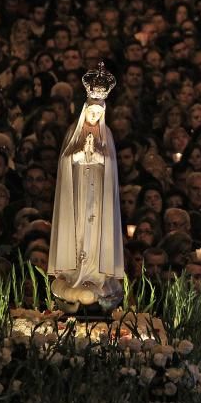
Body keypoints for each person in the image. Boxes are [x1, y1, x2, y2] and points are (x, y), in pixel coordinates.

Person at [48, 64, 123, 307]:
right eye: (91, 112)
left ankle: (96, 277)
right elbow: (65, 160)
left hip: (98, 198)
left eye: (98, 113)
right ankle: (74, 275)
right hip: (79, 194)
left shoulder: (106, 134)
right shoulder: (74, 131)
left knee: (96, 235)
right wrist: (80, 155)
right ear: (84, 111)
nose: (94, 117)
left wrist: (99, 157)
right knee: (79, 231)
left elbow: (111, 164)